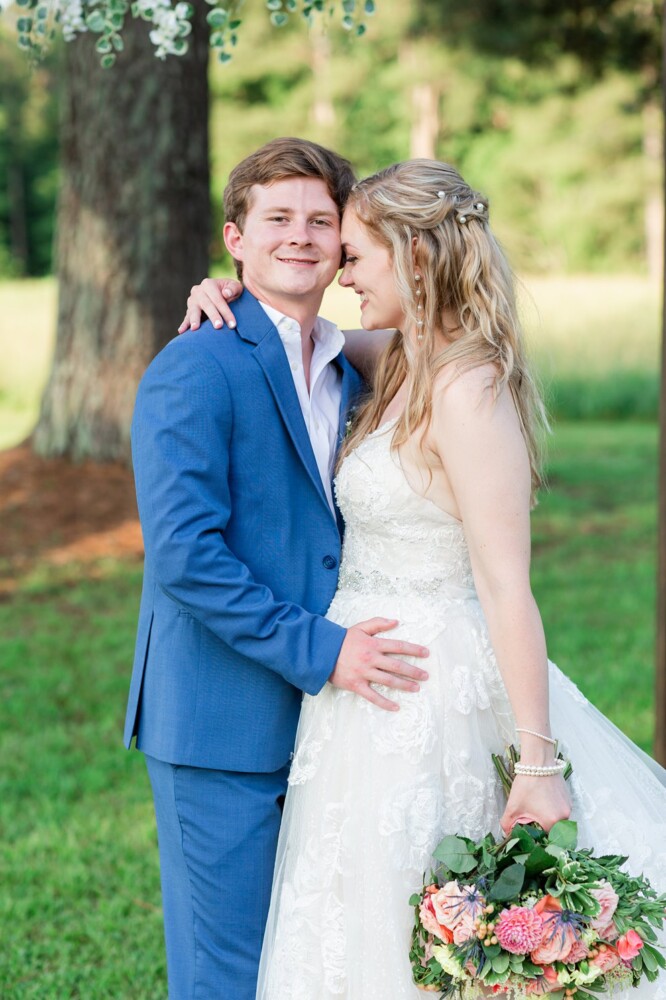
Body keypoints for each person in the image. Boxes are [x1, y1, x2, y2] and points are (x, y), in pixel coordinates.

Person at [181, 159, 666, 999]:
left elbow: (508, 585)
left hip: (432, 690)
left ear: (413, 256)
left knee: (431, 915)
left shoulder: (470, 386)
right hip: (356, 695)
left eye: (357, 256)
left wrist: (539, 764)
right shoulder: (395, 358)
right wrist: (219, 291)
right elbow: (296, 342)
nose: (340, 272)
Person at [124, 138, 431, 1000]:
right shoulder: (195, 363)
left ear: (345, 245)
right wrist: (323, 650)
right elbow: (186, 555)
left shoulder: (358, 364)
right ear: (236, 237)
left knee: (309, 961)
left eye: (320, 220)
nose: (299, 236)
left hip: (335, 726)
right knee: (229, 972)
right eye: (277, 219)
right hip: (221, 718)